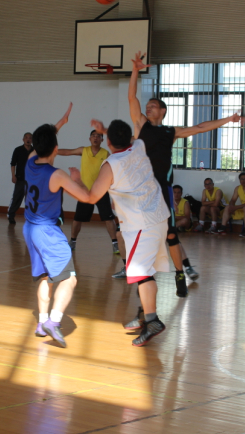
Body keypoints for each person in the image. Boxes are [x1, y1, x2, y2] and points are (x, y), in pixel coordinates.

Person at [93, 52, 242, 296]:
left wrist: (229, 119)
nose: (148, 108)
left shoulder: (170, 131)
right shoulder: (141, 125)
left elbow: (200, 127)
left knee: (171, 234)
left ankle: (180, 272)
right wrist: (135, 71)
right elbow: (131, 97)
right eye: (147, 106)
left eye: (153, 106)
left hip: (161, 188)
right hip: (140, 189)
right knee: (137, 233)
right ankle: (141, 276)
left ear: (162, 111)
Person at [80, 119, 170, 346]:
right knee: (146, 273)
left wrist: (74, 180)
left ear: (108, 142)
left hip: (142, 224)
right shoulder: (139, 145)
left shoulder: (111, 164)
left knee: (142, 274)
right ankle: (144, 314)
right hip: (159, 217)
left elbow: (91, 197)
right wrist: (107, 130)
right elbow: (128, 137)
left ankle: (152, 321)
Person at [23, 103, 92, 349]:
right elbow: (87, 198)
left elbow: (42, 139)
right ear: (56, 148)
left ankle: (42, 322)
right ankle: (54, 321)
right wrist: (78, 179)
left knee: (46, 277)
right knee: (69, 278)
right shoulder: (58, 174)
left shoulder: (29, 161)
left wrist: (60, 123)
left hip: (29, 228)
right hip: (47, 231)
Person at [58, 130, 119, 253]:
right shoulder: (83, 150)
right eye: (93, 136)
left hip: (101, 191)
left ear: (102, 140)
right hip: (85, 192)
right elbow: (68, 152)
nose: (95, 138)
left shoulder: (106, 154)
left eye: (98, 136)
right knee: (77, 219)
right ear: (90, 138)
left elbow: (112, 171)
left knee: (108, 218)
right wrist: (52, 151)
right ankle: (73, 242)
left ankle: (115, 244)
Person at [218, 172, 245, 237]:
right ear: (239, 180)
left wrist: (235, 208)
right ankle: (223, 227)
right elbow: (233, 200)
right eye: (242, 179)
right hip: (244, 209)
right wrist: (232, 207)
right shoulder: (238, 188)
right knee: (228, 207)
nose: (243, 180)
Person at [8, 132, 33, 225]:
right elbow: (13, 164)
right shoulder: (18, 150)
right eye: (26, 138)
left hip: (32, 180)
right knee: (17, 198)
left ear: (32, 140)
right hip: (20, 179)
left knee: (31, 200)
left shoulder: (35, 151)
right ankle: (11, 215)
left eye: (30, 138)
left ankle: (30, 218)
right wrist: (13, 175)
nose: (28, 139)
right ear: (23, 139)